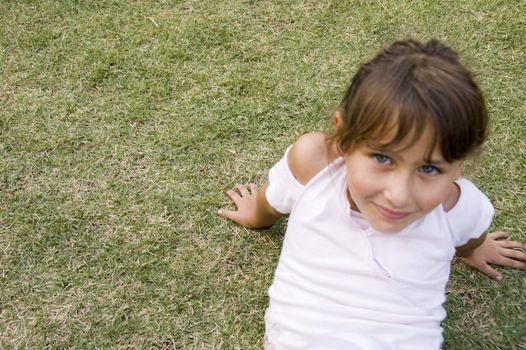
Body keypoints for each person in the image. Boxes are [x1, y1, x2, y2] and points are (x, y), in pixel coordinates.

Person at [217, 39, 526, 350]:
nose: (399, 195)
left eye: (429, 169)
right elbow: (269, 204)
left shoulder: (460, 207)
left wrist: (476, 248)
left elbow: (469, 238)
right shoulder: (314, 164)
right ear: (342, 136)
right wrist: (253, 216)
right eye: (383, 158)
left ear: (458, 166)